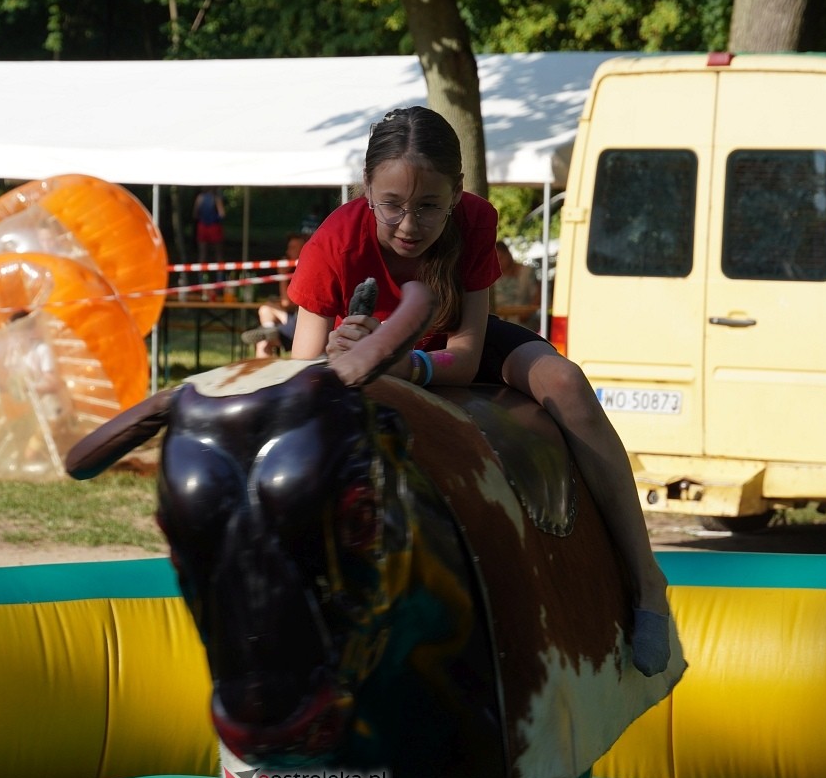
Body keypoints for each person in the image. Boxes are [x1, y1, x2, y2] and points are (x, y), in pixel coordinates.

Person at [287, 106, 672, 677]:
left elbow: (465, 360)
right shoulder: (335, 242)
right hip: (366, 359)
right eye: (391, 205)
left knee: (565, 381)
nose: (408, 226)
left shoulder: (475, 220)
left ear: (457, 194)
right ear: (366, 188)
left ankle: (646, 581)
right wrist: (345, 355)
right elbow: (300, 371)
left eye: (428, 207)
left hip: (441, 348)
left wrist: (397, 362)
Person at [241, 232, 308, 357]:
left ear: (303, 250)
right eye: (288, 247)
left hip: (302, 324)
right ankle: (269, 329)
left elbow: (287, 303)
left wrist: (282, 276)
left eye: (293, 248)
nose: (288, 251)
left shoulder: (306, 269)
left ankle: (269, 330)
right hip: (291, 319)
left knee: (267, 308)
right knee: (263, 341)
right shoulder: (291, 269)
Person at [494, 240, 539, 330]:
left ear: (508, 254)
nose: (499, 262)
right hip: (498, 325)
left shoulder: (527, 272)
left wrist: (527, 313)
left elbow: (538, 295)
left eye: (501, 258)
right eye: (496, 260)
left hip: (523, 325)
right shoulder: (493, 276)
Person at [193, 187, 226, 263]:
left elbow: (195, 214)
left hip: (202, 226)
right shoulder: (216, 198)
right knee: (218, 254)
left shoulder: (199, 198)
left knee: (202, 254)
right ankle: (219, 274)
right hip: (214, 226)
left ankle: (200, 274)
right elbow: (222, 214)